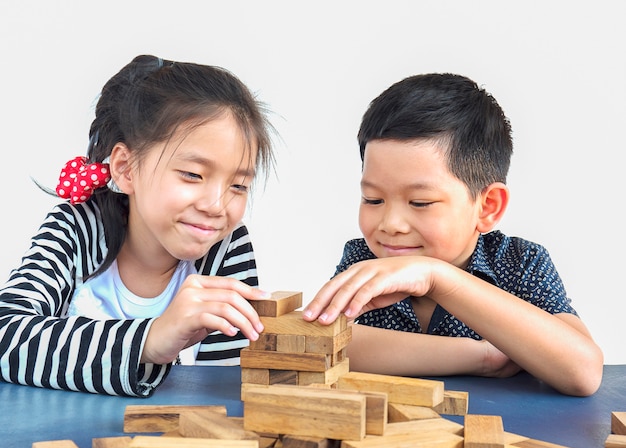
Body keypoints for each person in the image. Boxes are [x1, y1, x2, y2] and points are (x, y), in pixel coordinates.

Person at [303, 73, 603, 397]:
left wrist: (438, 277)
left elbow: (583, 371)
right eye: (373, 200)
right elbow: (321, 343)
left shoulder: (520, 263)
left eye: (420, 202)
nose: (391, 224)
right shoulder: (363, 258)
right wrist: (480, 357)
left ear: (487, 206)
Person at [0, 55, 276, 396]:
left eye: (238, 185)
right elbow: (5, 337)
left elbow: (225, 390)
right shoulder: (77, 227)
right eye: (192, 175)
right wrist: (150, 339)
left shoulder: (227, 249)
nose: (216, 206)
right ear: (127, 168)